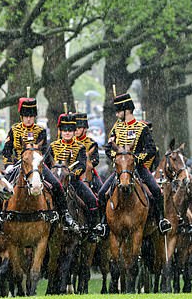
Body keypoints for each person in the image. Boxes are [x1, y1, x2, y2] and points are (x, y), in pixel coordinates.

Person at [0, 97, 77, 233]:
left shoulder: (40, 131)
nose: (28, 119)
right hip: (18, 165)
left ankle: (64, 214)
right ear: (21, 116)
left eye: (31, 116)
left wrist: (38, 162)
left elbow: (45, 150)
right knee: (1, 188)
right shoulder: (14, 130)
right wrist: (8, 164)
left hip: (37, 166)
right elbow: (7, 150)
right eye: (26, 116)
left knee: (56, 185)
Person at [96, 93, 170, 233]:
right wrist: (118, 158)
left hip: (138, 168)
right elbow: (108, 148)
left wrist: (135, 159)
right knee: (101, 194)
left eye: (118, 110)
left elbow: (151, 149)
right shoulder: (116, 128)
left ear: (126, 110)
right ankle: (103, 224)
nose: (116, 114)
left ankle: (161, 220)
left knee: (156, 191)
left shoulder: (142, 128)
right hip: (120, 170)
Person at [45, 113, 101, 237]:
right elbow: (46, 164)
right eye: (65, 130)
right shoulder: (53, 146)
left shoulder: (80, 147)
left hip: (73, 181)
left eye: (70, 130)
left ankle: (92, 229)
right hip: (55, 182)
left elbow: (81, 166)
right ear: (60, 131)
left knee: (92, 200)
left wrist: (71, 175)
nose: (67, 133)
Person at [74, 112, 102, 194]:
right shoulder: (71, 142)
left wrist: (88, 163)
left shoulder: (91, 143)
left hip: (88, 173)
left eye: (79, 128)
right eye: (75, 128)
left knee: (102, 192)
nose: (76, 130)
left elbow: (95, 160)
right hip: (73, 171)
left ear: (85, 129)